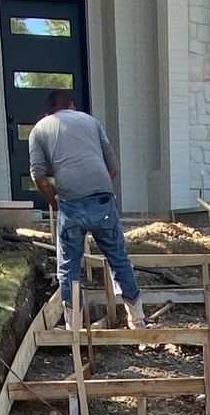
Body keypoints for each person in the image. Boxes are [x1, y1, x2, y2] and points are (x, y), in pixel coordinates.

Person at [28, 87, 148, 325]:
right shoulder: (91, 122)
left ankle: (74, 327)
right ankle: (137, 319)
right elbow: (112, 168)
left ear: (48, 110)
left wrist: (55, 202)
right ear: (71, 105)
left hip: (70, 203)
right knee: (118, 259)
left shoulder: (39, 130)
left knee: (69, 268)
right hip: (102, 200)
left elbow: (38, 177)